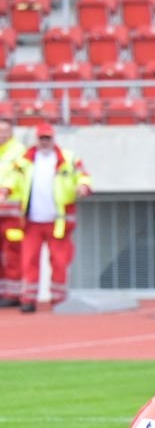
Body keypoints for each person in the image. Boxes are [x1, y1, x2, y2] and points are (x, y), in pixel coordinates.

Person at [6, 122, 91, 314]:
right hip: (31, 222)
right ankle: (28, 299)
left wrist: (83, 187)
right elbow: (12, 178)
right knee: (28, 260)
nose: (45, 142)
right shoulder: (25, 160)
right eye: (41, 139)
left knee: (60, 261)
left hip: (58, 221)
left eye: (48, 138)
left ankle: (58, 299)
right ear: (36, 140)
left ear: (54, 139)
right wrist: (6, 189)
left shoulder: (68, 159)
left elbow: (83, 176)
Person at [0, 111, 24, 309]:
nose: (2, 134)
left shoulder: (18, 152)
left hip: (12, 215)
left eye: (5, 131)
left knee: (12, 253)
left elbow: (18, 177)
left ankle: (13, 293)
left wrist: (5, 190)